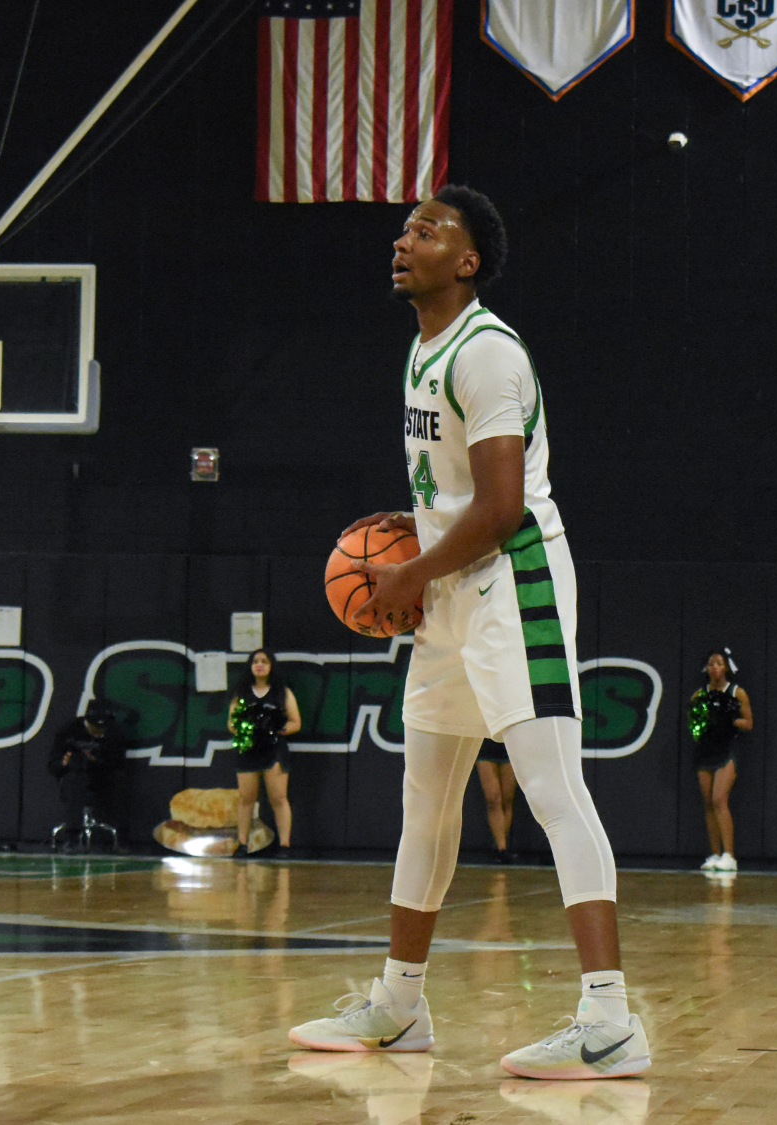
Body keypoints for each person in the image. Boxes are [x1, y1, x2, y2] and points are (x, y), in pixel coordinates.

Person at [289, 186, 647, 1080]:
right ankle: (399, 1006)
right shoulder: (421, 350)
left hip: (510, 583)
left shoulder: (488, 354)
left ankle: (611, 1020)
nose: (404, 239)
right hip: (450, 592)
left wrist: (408, 573)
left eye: (428, 230)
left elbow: (497, 506)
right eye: (407, 227)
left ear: (469, 259)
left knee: (553, 787)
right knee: (426, 797)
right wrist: (418, 567)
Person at [229, 649, 300, 856]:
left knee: (278, 798)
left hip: (274, 750)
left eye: (264, 661)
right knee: (246, 798)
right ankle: (242, 844)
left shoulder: (282, 693)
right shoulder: (241, 693)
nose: (259, 665)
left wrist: (274, 729)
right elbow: (232, 722)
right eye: (255, 661)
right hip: (248, 750)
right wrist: (249, 731)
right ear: (250, 666)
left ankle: (284, 845)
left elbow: (296, 722)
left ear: (271, 666)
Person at [690, 649, 752, 872]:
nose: (714, 667)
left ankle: (729, 855)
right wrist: (703, 722)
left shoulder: (737, 692)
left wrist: (729, 720)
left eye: (718, 663)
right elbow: (693, 725)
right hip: (705, 752)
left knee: (719, 800)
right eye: (710, 664)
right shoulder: (699, 694)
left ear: (726, 667)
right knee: (708, 803)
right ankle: (715, 854)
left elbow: (748, 723)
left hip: (727, 751)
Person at [48, 706, 128, 852]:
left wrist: (96, 759)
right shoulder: (68, 730)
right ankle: (72, 839)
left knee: (121, 784)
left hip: (102, 776)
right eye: (95, 728)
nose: (99, 732)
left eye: (103, 729)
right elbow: (52, 765)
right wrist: (64, 763)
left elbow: (119, 763)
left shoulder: (114, 734)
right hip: (74, 775)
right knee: (74, 782)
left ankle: (121, 840)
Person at [476, 740, 518, 863]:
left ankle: (502, 845)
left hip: (509, 746)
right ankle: (501, 847)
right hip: (485, 746)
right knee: (493, 799)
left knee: (507, 798)